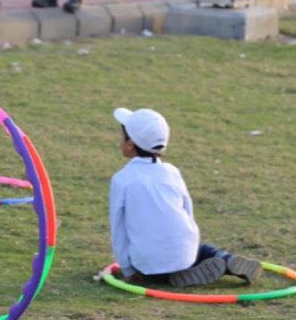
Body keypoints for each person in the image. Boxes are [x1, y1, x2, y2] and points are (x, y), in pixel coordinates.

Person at [110, 107, 262, 288]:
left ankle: (171, 277)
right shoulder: (172, 172)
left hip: (151, 262)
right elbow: (187, 212)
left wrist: (128, 271)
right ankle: (225, 260)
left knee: (150, 265)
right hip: (185, 251)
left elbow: (118, 230)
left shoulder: (122, 179)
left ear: (129, 144)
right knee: (202, 250)